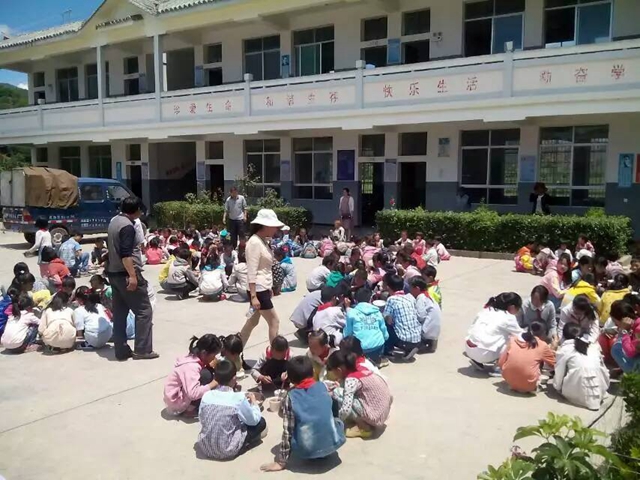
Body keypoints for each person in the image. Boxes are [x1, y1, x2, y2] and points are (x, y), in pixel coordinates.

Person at [260, 355, 346, 472]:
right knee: (334, 417)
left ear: (290, 379)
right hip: (333, 444)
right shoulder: (323, 386)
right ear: (313, 372)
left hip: (308, 451)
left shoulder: (290, 398)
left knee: (295, 425)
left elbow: (287, 432)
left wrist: (281, 462)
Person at [106, 196, 157, 361]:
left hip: (113, 273)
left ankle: (120, 349)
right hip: (126, 273)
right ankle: (142, 349)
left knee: (120, 313)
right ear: (136, 210)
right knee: (144, 311)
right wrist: (133, 276)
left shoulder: (114, 222)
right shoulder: (128, 226)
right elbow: (126, 254)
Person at [196, 359, 266, 460]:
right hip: (227, 450)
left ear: (215, 378)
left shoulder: (207, 395)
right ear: (234, 378)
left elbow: (202, 418)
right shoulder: (238, 398)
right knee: (261, 422)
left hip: (206, 447)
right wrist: (254, 403)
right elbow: (253, 421)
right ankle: (243, 446)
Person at [240, 209, 283, 346]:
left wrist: (269, 288)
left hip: (262, 287)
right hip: (258, 289)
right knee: (274, 321)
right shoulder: (254, 242)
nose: (276, 229)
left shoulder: (263, 241)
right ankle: (275, 354)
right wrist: (253, 296)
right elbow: (252, 270)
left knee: (252, 322)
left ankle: (233, 350)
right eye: (274, 226)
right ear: (265, 225)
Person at [326, 350, 392, 439]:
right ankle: (365, 421)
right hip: (383, 412)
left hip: (374, 417)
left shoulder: (351, 380)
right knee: (344, 393)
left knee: (337, 393)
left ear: (339, 370)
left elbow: (346, 409)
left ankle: (364, 428)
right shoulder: (360, 368)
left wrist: (334, 423)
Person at [553, 323, 610, 410]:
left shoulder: (565, 349)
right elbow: (604, 369)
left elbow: (559, 372)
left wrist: (557, 387)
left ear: (564, 336)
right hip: (600, 389)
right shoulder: (593, 347)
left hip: (579, 393)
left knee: (566, 368)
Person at [464, 292, 524, 373]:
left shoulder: (487, 310)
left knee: (494, 335)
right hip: (484, 354)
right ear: (512, 307)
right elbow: (521, 335)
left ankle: (477, 360)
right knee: (513, 339)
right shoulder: (508, 318)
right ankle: (498, 367)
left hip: (469, 349)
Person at [163, 334, 222, 416]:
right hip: (176, 404)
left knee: (208, 372)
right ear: (204, 353)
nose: (214, 358)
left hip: (176, 397)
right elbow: (193, 394)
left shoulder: (192, 357)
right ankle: (190, 409)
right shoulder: (191, 366)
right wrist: (214, 383)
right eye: (213, 355)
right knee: (206, 375)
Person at [499, 321, 556, 393]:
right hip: (529, 384)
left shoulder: (513, 340)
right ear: (544, 332)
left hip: (508, 380)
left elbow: (501, 362)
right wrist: (554, 347)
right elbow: (554, 364)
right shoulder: (542, 345)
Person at [344, 287, 389, 364]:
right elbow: (384, 332)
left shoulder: (351, 313)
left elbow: (347, 334)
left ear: (355, 300)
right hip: (378, 346)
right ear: (370, 299)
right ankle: (377, 360)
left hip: (360, 349)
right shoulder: (377, 312)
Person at [382, 273, 421, 361]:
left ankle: (388, 351)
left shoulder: (391, 299)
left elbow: (386, 318)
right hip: (417, 338)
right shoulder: (410, 297)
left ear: (388, 287)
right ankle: (411, 347)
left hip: (403, 340)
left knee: (384, 324)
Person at [410, 277, 442, 353]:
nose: (410, 291)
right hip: (435, 330)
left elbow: (421, 317)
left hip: (426, 331)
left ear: (417, 288)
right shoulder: (428, 296)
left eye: (411, 288)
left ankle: (421, 343)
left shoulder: (420, 298)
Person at [610, 300, 640, 373]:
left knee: (616, 349)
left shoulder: (638, 329)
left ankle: (633, 375)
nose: (616, 325)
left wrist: (624, 331)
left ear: (622, 320)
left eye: (615, 322)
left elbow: (630, 352)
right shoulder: (636, 323)